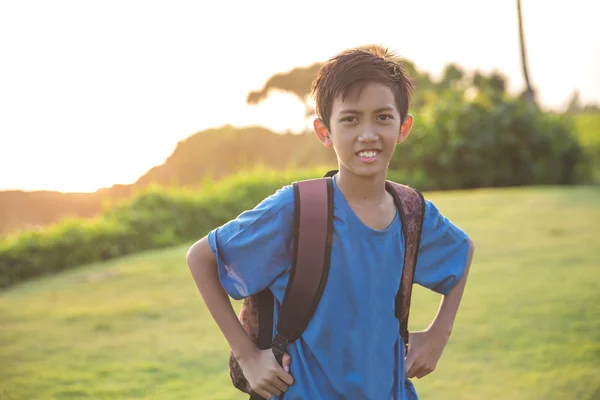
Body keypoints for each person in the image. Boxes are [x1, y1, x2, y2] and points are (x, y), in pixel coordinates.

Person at [186, 44, 475, 400]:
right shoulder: (295, 210)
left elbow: (462, 252)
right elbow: (201, 257)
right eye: (350, 119)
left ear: (403, 127)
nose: (367, 134)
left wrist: (437, 335)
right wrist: (248, 357)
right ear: (325, 132)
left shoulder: (412, 211)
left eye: (383, 117)